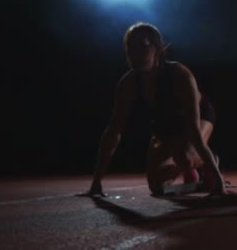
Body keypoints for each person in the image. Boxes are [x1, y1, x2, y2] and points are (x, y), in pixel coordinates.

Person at [80, 22, 228, 198]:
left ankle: (203, 163)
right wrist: (96, 183)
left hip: (198, 117)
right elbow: (113, 132)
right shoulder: (128, 84)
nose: (134, 53)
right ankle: (191, 172)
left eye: (141, 46)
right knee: (157, 186)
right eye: (130, 47)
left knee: (185, 157)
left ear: (157, 49)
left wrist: (219, 183)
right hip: (165, 125)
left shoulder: (180, 74)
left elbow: (194, 131)